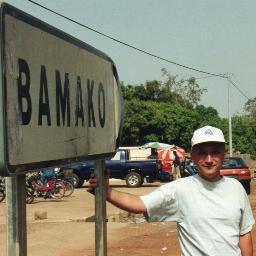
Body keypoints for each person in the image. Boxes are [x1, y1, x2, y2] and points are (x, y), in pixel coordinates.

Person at [88, 125, 255, 256]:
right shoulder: (181, 189)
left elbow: (244, 234)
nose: (209, 159)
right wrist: (106, 191)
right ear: (192, 156)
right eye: (202, 153)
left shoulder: (236, 189)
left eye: (215, 152)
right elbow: (139, 204)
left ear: (224, 155)